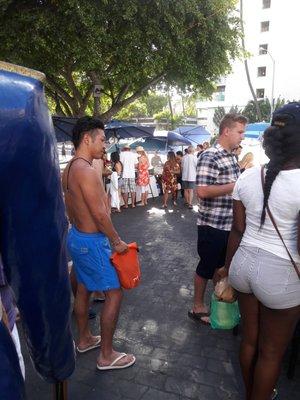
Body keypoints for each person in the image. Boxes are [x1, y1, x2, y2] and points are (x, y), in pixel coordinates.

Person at [218, 103, 300, 400]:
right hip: (280, 277)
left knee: (250, 341)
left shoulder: (248, 176)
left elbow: (237, 230)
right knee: (272, 352)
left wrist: (227, 269)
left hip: (243, 266)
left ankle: (252, 390)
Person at [62, 116, 135, 370]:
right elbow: (100, 214)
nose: (105, 145)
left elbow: (78, 207)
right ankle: (106, 355)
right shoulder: (85, 170)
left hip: (77, 237)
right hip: (92, 242)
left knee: (83, 287)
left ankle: (83, 339)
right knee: (114, 293)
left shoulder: (70, 167)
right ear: (87, 138)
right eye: (102, 139)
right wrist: (116, 241)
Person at [188, 113, 247, 324]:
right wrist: (237, 185)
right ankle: (197, 306)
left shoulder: (231, 156)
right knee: (206, 266)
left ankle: (219, 300)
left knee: (220, 267)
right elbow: (202, 191)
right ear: (226, 131)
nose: (242, 136)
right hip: (212, 225)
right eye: (240, 132)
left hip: (228, 225)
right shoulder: (210, 155)